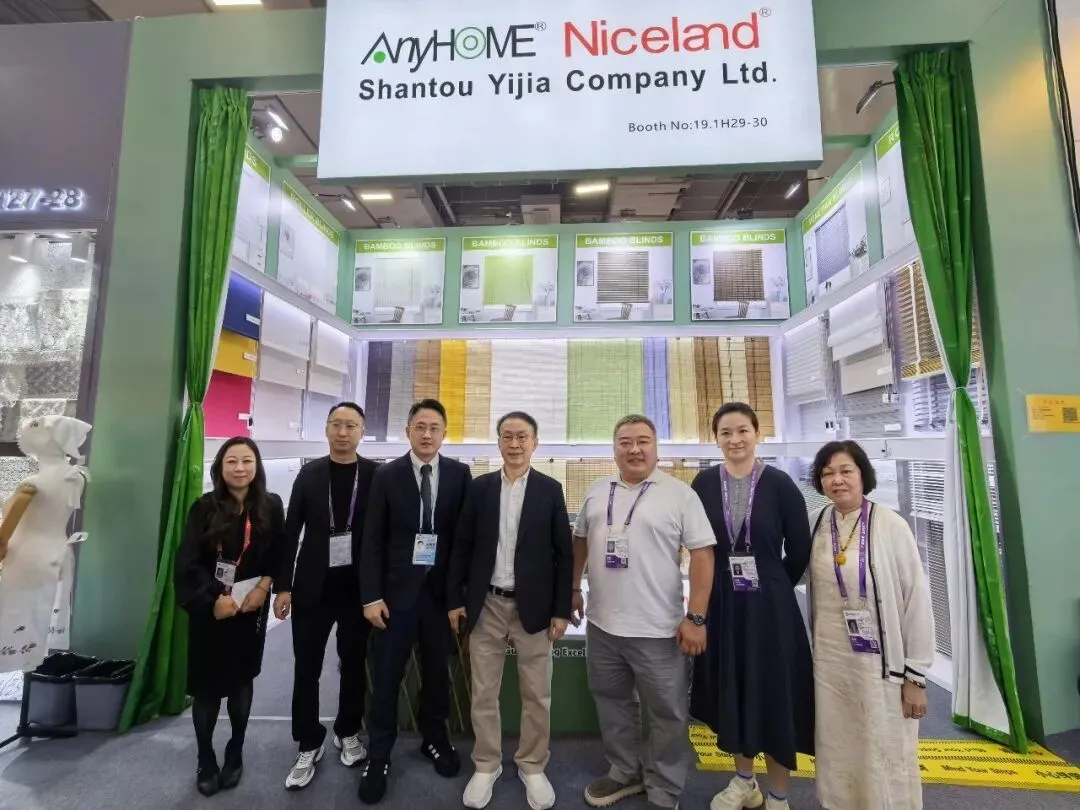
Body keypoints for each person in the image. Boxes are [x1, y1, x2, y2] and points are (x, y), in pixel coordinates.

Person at [573, 414, 716, 810]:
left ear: (656, 447)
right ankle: (625, 770)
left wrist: (696, 617)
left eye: (642, 441)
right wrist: (572, 587)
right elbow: (580, 540)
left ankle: (664, 788)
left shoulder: (680, 495)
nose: (634, 449)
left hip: (660, 629)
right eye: (625, 442)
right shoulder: (598, 491)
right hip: (602, 625)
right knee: (612, 702)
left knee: (668, 714)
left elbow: (703, 555)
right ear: (614, 448)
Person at [690, 402, 813, 810]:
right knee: (734, 689)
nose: (735, 439)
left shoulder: (779, 484)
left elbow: (800, 549)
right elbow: (697, 543)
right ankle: (745, 781)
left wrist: (773, 585)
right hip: (723, 603)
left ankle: (778, 794)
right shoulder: (704, 483)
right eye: (726, 432)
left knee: (774, 693)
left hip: (771, 610)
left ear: (757, 434)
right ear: (716, 439)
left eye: (743, 430)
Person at [447, 411, 573, 810]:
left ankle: (532, 765)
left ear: (535, 443)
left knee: (537, 694)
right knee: (484, 692)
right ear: (499, 442)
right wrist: (455, 600)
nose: (514, 444)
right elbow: (461, 546)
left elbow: (564, 555)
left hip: (534, 608)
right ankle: (486, 764)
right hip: (486, 604)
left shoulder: (550, 490)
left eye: (522, 437)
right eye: (507, 436)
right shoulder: (480, 488)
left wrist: (560, 610)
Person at [807, 440, 935, 810]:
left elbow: (916, 599)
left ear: (863, 474)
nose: (837, 480)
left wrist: (915, 677)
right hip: (831, 664)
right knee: (838, 747)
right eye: (828, 473)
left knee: (883, 746)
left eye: (846, 471)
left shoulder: (890, 525)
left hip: (880, 666)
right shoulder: (816, 522)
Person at [359, 398, 472, 804]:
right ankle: (379, 755)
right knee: (387, 676)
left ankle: (434, 739)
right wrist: (371, 596)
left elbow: (462, 542)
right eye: (420, 427)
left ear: (444, 433)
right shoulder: (386, 475)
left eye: (434, 428)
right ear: (407, 431)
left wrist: (458, 597)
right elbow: (372, 540)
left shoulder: (459, 474)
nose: (427, 434)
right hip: (394, 597)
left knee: (437, 674)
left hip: (440, 598)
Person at [272, 402, 379, 790]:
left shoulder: (376, 475)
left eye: (351, 425)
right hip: (312, 587)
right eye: (336, 424)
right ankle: (308, 741)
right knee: (307, 667)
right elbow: (291, 531)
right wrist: (283, 586)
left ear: (362, 431)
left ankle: (347, 730)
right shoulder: (309, 473)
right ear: (327, 429)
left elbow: (383, 534)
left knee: (353, 664)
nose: (343, 432)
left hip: (357, 590)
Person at [175, 437, 283, 797]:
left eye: (247, 461)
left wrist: (264, 588)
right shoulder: (204, 508)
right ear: (220, 468)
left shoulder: (271, 505)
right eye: (232, 461)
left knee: (241, 680)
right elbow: (188, 562)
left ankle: (235, 750)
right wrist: (212, 601)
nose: (240, 468)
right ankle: (205, 757)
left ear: (257, 466)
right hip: (212, 611)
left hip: (250, 607)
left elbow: (279, 553)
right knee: (206, 688)